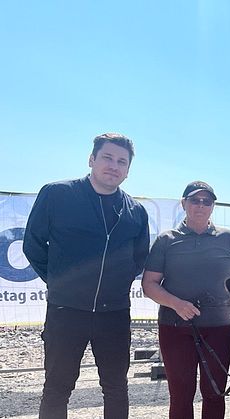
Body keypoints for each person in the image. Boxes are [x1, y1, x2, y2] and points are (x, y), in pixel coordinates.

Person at [23, 133, 150, 419]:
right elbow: (32, 245)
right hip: (66, 311)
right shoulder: (57, 194)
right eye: (107, 157)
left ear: (128, 170)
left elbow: (138, 258)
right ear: (91, 159)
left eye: (122, 161)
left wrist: (113, 286)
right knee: (57, 387)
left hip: (114, 314)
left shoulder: (136, 212)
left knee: (116, 387)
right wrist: (60, 282)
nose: (113, 166)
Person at [142, 181, 230, 419]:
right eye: (194, 200)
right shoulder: (166, 240)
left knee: (214, 393)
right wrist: (176, 304)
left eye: (206, 201)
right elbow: (149, 284)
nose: (200, 206)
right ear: (184, 204)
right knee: (181, 393)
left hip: (219, 329)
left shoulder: (228, 239)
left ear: (212, 206)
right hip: (175, 328)